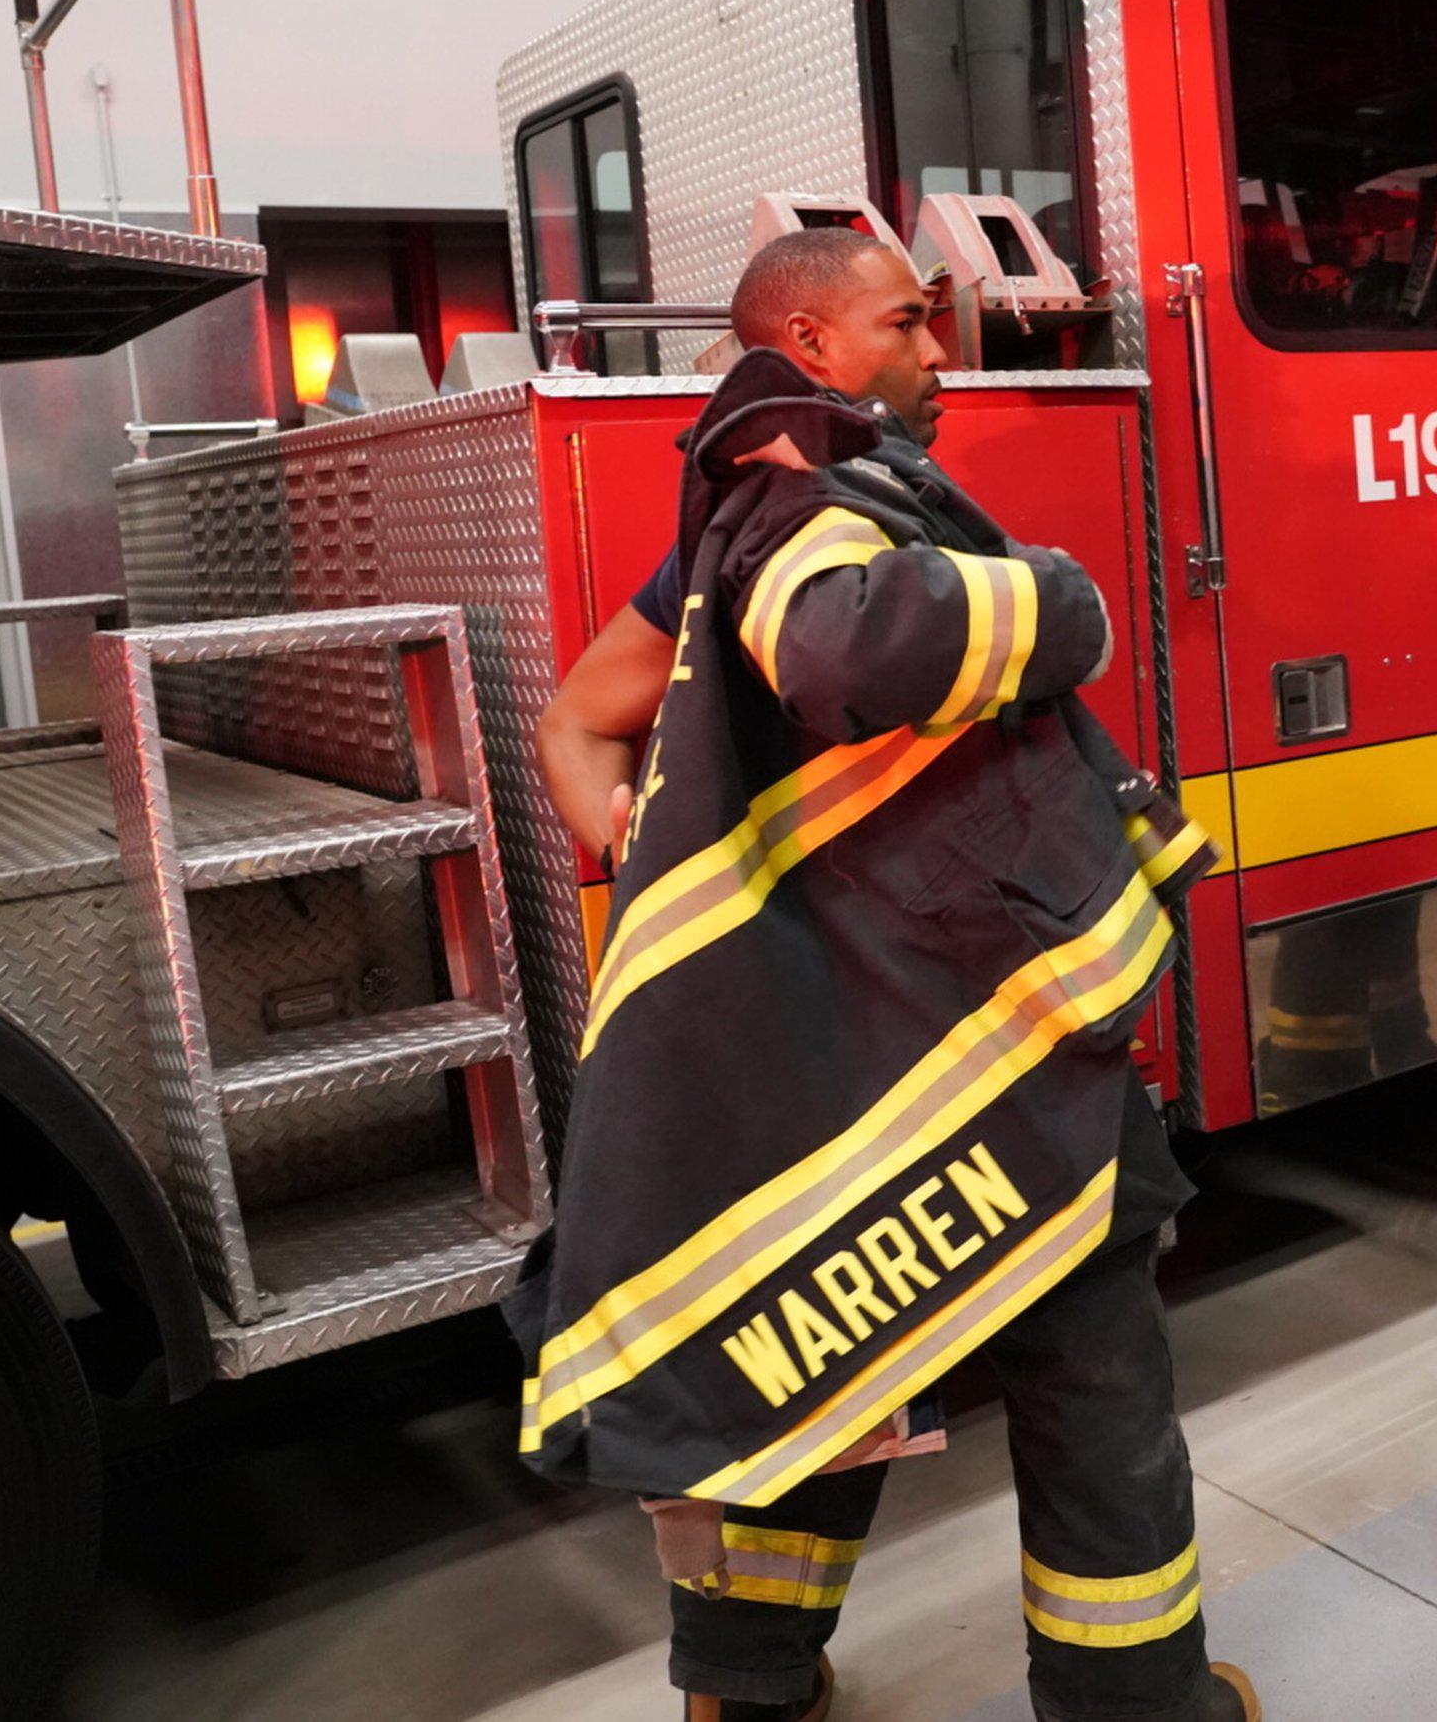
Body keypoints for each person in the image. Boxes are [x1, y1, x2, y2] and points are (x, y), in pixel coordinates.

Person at [518, 227, 1255, 1722]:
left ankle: (747, 1685)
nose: (937, 354)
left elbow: (576, 715)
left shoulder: (728, 523)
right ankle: (1134, 1704)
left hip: (842, 1069)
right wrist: (1065, 603)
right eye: (908, 324)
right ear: (808, 343)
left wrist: (648, 845)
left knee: (812, 1376)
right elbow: (847, 648)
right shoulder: (798, 504)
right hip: (979, 1055)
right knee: (1092, 1366)